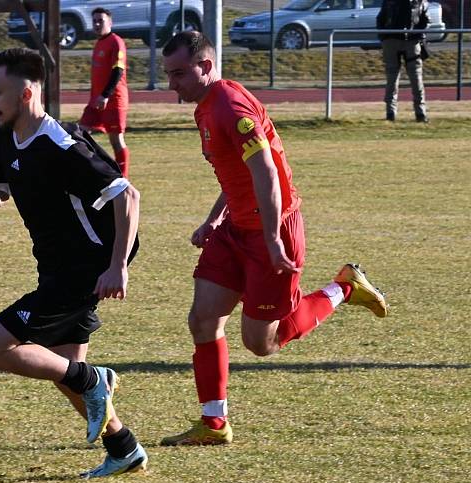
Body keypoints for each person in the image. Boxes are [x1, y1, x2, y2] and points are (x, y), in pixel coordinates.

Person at [158, 32, 389, 446]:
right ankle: (213, 424)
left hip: (273, 230)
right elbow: (236, 174)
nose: (171, 84)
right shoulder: (205, 107)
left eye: (178, 74)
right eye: (168, 74)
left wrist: (271, 239)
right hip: (235, 231)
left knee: (261, 342)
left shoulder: (230, 106)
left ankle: (344, 288)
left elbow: (265, 172)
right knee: (203, 319)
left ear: (206, 67)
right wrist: (215, 219)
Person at [0, 48, 147, 478]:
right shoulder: (6, 133)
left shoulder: (62, 145)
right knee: (65, 369)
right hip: (57, 265)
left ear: (26, 93)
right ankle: (124, 448)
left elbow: (128, 195)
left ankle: (93, 379)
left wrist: (117, 266)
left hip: (86, 267)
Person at [79, 7, 131, 177]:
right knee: (80, 135)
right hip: (96, 101)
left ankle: (123, 178)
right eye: (94, 21)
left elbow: (118, 71)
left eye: (100, 20)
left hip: (113, 100)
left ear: (110, 22)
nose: (97, 24)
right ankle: (92, 171)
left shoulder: (116, 42)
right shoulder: (99, 43)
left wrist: (106, 95)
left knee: (116, 140)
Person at [377, 0, 430, 122]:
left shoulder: (389, 2)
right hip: (404, 40)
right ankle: (419, 113)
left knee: (396, 77)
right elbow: (426, 21)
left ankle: (392, 113)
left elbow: (380, 19)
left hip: (397, 40)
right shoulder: (420, 2)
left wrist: (383, 37)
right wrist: (419, 35)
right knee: (412, 77)